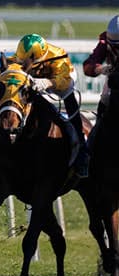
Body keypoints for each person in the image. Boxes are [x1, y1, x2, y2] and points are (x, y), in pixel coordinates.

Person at [8, 33, 88, 177]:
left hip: (62, 78)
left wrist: (47, 82)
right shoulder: (22, 55)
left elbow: (63, 80)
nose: (23, 64)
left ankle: (82, 149)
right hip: (37, 79)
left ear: (38, 58)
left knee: (70, 102)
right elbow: (9, 69)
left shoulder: (58, 55)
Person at [84, 15, 119, 115]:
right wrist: (101, 69)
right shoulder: (106, 41)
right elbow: (88, 65)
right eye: (116, 47)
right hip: (115, 79)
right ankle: (99, 125)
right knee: (106, 96)